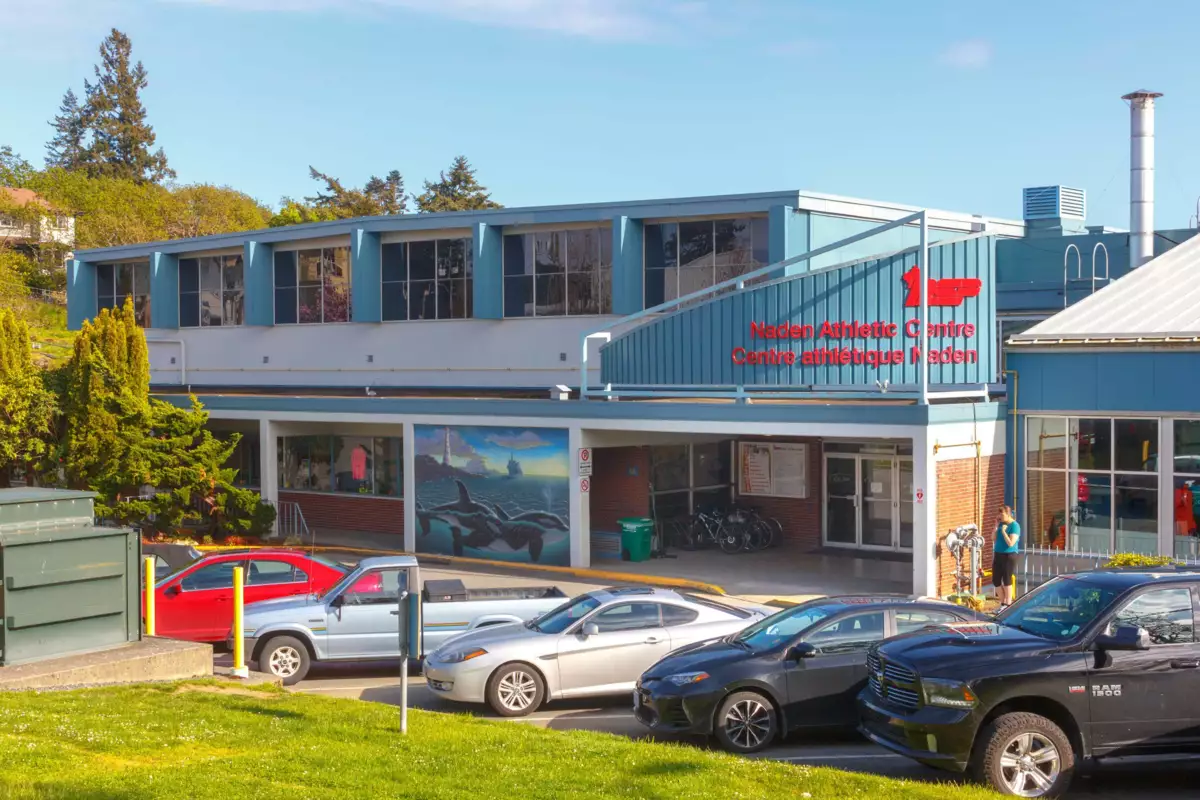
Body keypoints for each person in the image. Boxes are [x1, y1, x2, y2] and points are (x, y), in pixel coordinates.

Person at [992, 505, 1021, 607]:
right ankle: (1003, 601)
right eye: (999, 514)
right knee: (996, 580)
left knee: (1007, 579)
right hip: (998, 554)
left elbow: (1011, 543)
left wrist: (1004, 532)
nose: (1000, 516)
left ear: (1008, 514)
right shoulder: (1001, 524)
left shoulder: (1014, 526)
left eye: (1002, 514)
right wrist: (996, 526)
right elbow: (993, 538)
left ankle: (1008, 603)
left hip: (1009, 555)